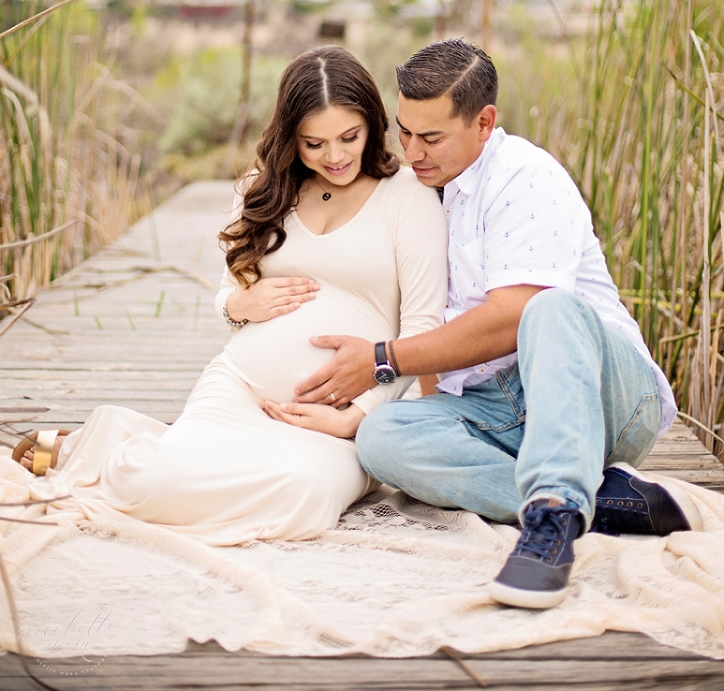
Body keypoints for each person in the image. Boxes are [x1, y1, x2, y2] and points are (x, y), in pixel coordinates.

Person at [289, 38, 703, 608]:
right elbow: (433, 323)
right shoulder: (422, 189)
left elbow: (511, 319)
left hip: (602, 395)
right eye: (404, 131)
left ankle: (553, 521)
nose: (412, 151)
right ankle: (604, 497)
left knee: (548, 306)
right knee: (382, 439)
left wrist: (383, 361)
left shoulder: (526, 178)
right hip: (496, 405)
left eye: (431, 137)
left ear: (484, 123)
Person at [13, 47, 447, 544]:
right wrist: (239, 305)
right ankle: (107, 450)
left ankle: (121, 443)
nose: (335, 156)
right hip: (242, 386)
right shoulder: (261, 192)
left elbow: (421, 332)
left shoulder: (408, 197)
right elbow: (227, 295)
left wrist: (355, 416)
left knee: (305, 497)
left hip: (338, 415)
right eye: (314, 143)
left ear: (372, 123)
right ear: (291, 138)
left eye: (349, 137)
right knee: (152, 486)